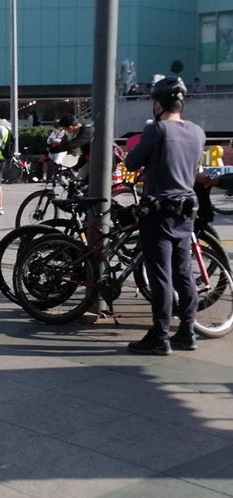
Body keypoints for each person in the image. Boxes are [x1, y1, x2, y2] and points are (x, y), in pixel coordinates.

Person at [124, 76, 204, 355]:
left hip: (159, 213)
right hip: (186, 210)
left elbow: (132, 163)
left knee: (160, 274)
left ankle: (160, 336)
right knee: (184, 272)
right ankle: (188, 330)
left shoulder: (157, 130)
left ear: (158, 104)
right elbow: (192, 170)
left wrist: (129, 155)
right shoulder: (197, 132)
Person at [48, 114, 94, 180]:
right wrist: (75, 168)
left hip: (103, 163)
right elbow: (85, 154)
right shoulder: (83, 129)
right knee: (80, 183)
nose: (65, 131)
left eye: (64, 129)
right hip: (93, 161)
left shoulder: (87, 131)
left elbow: (71, 145)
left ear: (70, 127)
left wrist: (53, 150)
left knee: (88, 185)